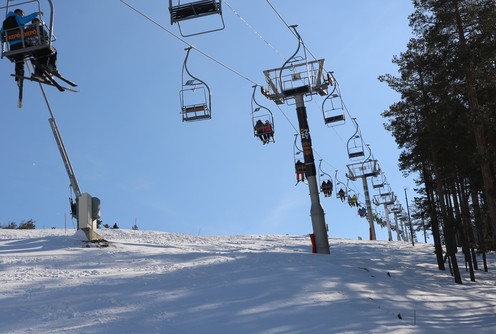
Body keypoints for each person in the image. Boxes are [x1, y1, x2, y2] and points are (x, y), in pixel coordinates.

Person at [1, 9, 43, 81]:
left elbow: (1, 33)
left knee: (19, 60)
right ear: (19, 13)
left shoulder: (5, 22)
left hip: (12, 46)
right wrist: (36, 14)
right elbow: (24, 20)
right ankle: (39, 69)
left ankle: (19, 74)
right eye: (22, 14)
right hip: (21, 43)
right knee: (39, 52)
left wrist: (3, 39)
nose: (22, 16)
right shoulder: (16, 17)